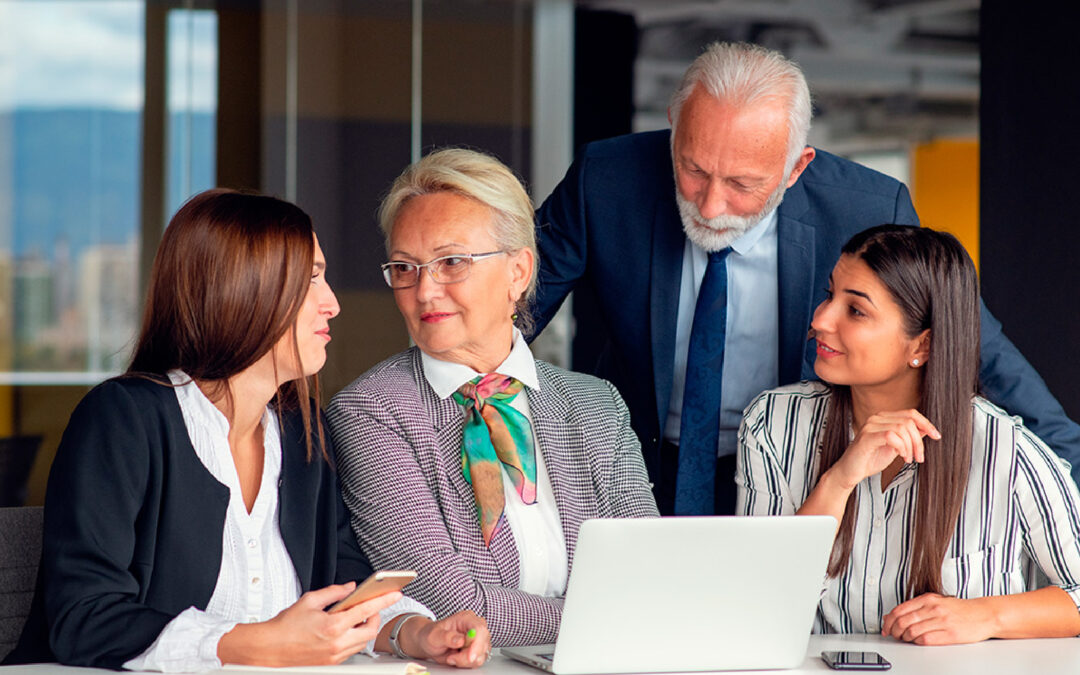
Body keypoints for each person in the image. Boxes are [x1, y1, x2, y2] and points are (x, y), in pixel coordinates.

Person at [532, 41, 1080, 517]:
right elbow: (511, 301)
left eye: (742, 184)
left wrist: (1069, 466)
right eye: (693, 169)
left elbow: (971, 344)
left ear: (797, 167)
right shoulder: (607, 178)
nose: (710, 204)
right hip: (635, 465)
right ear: (675, 124)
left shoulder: (866, 208)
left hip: (798, 472)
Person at [4, 189, 490, 671]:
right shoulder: (124, 419)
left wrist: (415, 633)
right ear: (245, 289)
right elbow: (83, 616)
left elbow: (345, 584)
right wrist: (257, 644)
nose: (332, 304)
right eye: (312, 279)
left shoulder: (302, 432)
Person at [327, 148, 659, 648]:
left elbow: (648, 576)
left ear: (518, 272)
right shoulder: (371, 412)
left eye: (451, 262)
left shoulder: (596, 406)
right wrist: (612, 618)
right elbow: (453, 605)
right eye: (405, 267)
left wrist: (634, 613)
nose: (424, 291)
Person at [736, 224, 1080, 644]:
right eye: (830, 295)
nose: (820, 319)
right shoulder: (772, 425)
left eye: (856, 310)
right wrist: (839, 479)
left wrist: (986, 617)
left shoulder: (1007, 450)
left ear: (922, 346)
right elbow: (754, 602)